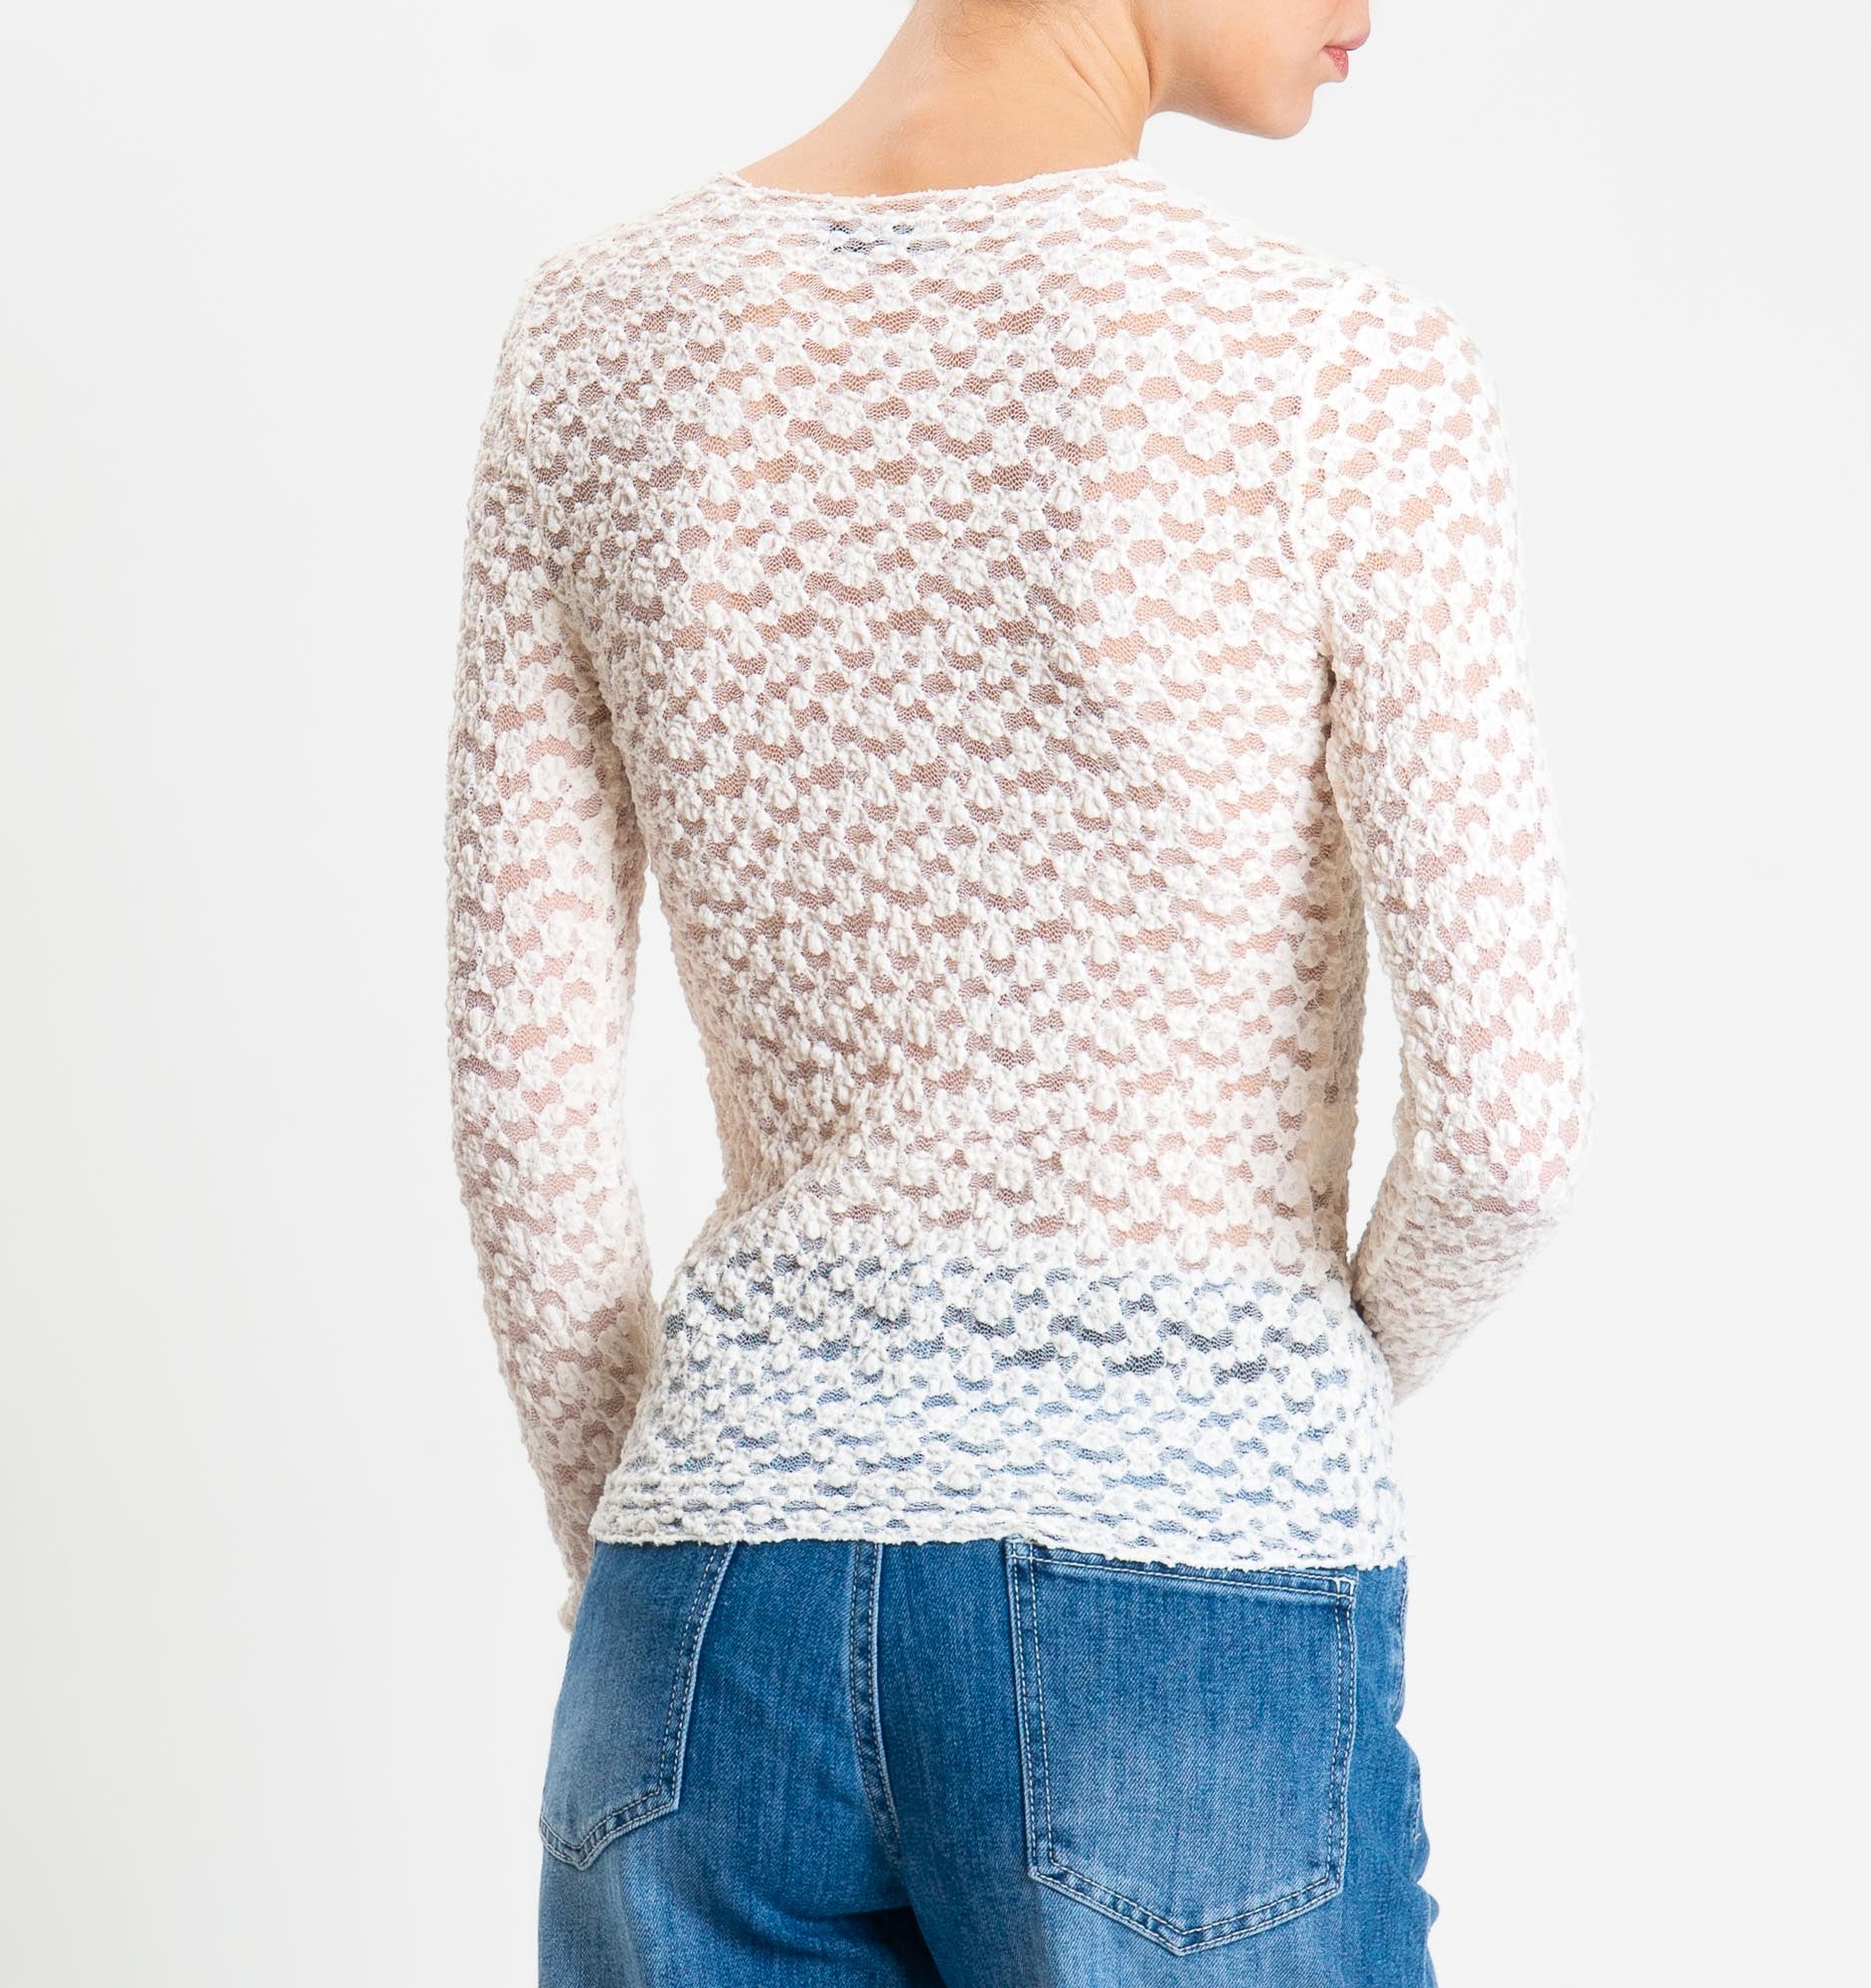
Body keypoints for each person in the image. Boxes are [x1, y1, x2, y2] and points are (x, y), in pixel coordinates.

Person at [442, 2, 1593, 1980]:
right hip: (1187, 1610)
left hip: (699, 1617)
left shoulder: (595, 344)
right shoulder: (1336, 367)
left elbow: (521, 1106)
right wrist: (1265, 1391)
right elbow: (1508, 1130)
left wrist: (664, 1517)